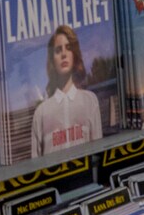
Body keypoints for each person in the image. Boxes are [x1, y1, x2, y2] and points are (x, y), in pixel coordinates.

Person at [28, 25, 104, 157]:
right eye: (58, 50)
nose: (63, 54)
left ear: (74, 55)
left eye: (68, 48)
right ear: (52, 60)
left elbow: (98, 154)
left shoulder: (90, 101)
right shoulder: (41, 113)